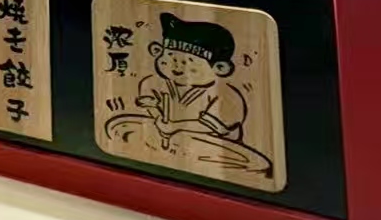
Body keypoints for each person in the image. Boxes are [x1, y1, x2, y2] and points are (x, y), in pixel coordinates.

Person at [102, 12, 275, 181]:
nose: (176, 66)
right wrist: (157, 116)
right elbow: (151, 107)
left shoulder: (227, 96)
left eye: (189, 62)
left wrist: (175, 126)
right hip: (166, 147)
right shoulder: (152, 83)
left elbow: (215, 127)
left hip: (216, 150)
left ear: (220, 68)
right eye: (170, 57)